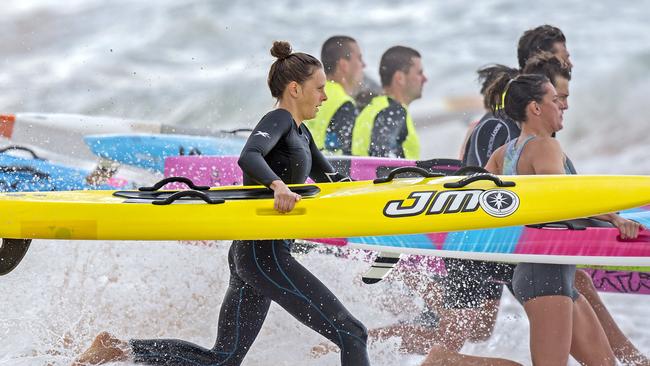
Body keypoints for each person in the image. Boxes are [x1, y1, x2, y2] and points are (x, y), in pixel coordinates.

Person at [73, 41, 370, 366]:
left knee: (223, 360)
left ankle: (118, 348)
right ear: (296, 89)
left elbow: (331, 181)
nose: (325, 96)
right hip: (263, 254)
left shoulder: (301, 134)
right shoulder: (279, 119)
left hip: (256, 254)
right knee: (351, 333)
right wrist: (277, 184)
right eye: (319, 88)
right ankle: (117, 348)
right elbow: (249, 156)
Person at [482, 73, 642, 365]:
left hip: (546, 271)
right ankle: (445, 360)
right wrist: (615, 218)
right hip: (545, 273)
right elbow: (562, 199)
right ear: (536, 108)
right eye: (555, 100)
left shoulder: (502, 154)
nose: (562, 106)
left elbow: (485, 198)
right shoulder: (545, 146)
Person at [351, 45, 426, 159]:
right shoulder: (393, 111)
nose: (425, 78)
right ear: (400, 78)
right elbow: (381, 159)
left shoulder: (373, 107)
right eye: (419, 73)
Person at [305, 35, 366, 155]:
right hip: (322, 170)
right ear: (344, 65)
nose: (363, 65)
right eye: (359, 58)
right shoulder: (344, 103)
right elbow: (342, 157)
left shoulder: (308, 92)